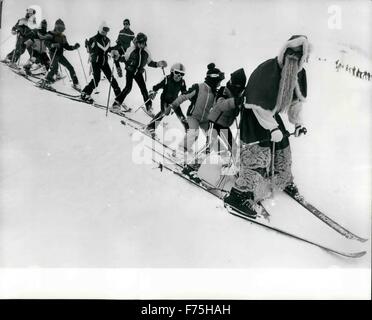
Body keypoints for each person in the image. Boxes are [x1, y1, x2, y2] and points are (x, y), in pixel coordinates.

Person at [224, 35, 310, 217]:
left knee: (283, 148)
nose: (293, 59)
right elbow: (257, 103)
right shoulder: (267, 70)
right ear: (284, 53)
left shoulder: (298, 73)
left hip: (271, 115)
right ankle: (239, 195)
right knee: (258, 156)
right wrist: (272, 129)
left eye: (298, 56)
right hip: (253, 114)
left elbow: (296, 101)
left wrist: (298, 123)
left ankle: (283, 179)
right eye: (291, 54)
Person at [168, 63, 225, 158]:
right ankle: (180, 151)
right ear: (213, 80)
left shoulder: (215, 93)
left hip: (205, 120)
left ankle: (224, 155)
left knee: (212, 136)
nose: (220, 83)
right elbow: (183, 96)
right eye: (219, 81)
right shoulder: (198, 87)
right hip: (193, 116)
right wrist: (172, 105)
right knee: (194, 133)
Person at [111, 32, 167, 114]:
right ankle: (116, 104)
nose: (141, 45)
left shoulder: (146, 52)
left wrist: (159, 64)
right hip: (130, 70)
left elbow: (150, 63)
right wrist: (117, 57)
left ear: (145, 43)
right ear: (136, 42)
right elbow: (124, 59)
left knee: (144, 90)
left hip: (138, 73)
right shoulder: (131, 49)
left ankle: (149, 107)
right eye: (139, 43)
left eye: (143, 43)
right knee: (128, 88)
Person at [205, 68, 247, 162]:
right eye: (235, 85)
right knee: (210, 145)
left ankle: (237, 168)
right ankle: (197, 165)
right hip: (214, 122)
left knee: (234, 148)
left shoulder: (239, 95)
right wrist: (236, 102)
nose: (237, 87)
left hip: (224, 126)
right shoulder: (223, 90)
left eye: (240, 86)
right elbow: (221, 105)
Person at [80, 22, 124, 107]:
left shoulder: (107, 40)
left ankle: (119, 97)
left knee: (112, 78)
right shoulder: (93, 39)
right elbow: (90, 50)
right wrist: (88, 46)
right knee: (97, 78)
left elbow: (108, 49)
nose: (105, 32)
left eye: (106, 31)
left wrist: (117, 46)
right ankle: (85, 93)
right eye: (104, 30)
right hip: (96, 61)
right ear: (100, 29)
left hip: (104, 62)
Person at [145, 63, 188, 135]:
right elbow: (156, 87)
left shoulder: (182, 82)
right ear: (172, 71)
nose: (179, 75)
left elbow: (184, 91)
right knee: (164, 112)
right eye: (177, 72)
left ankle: (189, 131)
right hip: (164, 99)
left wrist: (188, 94)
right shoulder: (166, 79)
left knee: (181, 115)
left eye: (182, 74)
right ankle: (150, 127)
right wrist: (153, 92)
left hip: (174, 101)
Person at [39, 19, 80, 90]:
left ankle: (75, 84)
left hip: (60, 55)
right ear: (56, 27)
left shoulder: (63, 37)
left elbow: (67, 46)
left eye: (62, 29)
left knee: (70, 67)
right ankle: (47, 81)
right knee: (54, 67)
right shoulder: (51, 33)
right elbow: (46, 42)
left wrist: (74, 47)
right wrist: (52, 45)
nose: (60, 30)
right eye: (59, 28)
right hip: (53, 53)